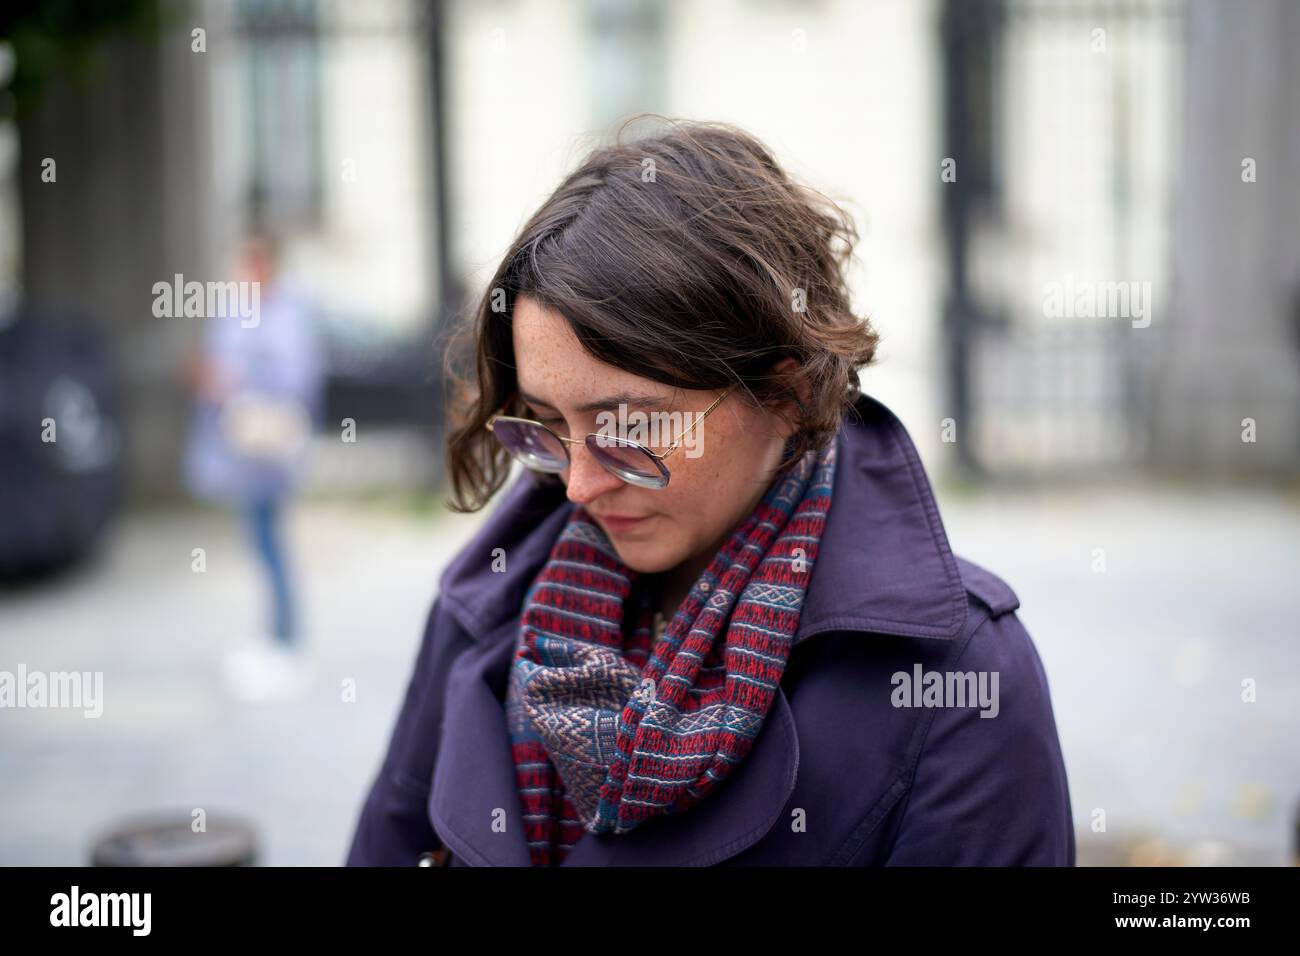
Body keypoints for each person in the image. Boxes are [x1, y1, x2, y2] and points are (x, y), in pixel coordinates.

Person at [346, 119, 1074, 866]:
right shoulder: (487, 607)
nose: (580, 485)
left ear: (786, 392)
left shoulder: (956, 675)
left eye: (630, 427)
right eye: (546, 423)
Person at [183, 229, 324, 702]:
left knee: (270, 545)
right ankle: (276, 638)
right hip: (242, 449)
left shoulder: (286, 314)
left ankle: (285, 641)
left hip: (269, 448)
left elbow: (295, 378)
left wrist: (237, 377)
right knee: (261, 543)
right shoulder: (237, 311)